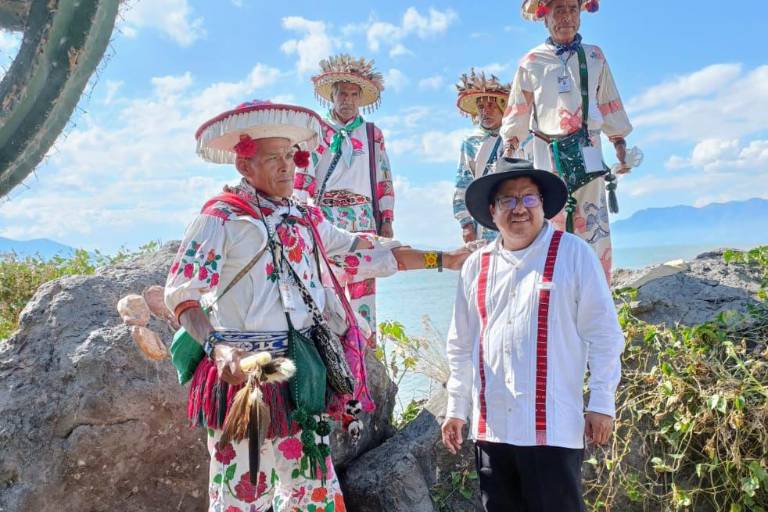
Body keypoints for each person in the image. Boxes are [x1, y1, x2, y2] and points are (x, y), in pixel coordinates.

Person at [165, 101, 472, 512]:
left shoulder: (306, 219)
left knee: (310, 490)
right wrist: (217, 347)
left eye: (291, 156)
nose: (287, 168)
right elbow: (182, 295)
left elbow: (370, 250)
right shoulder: (221, 220)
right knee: (242, 492)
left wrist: (444, 260)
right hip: (244, 378)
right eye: (273, 159)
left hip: (300, 375)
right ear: (244, 166)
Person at [441, 158, 624, 511]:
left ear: (542, 205)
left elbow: (603, 335)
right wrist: (456, 409)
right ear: (492, 212)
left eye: (528, 198)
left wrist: (601, 403)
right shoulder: (476, 267)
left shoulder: (574, 254)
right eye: (508, 200)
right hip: (492, 431)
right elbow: (461, 345)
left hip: (552, 431)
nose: (519, 208)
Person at [500, 0, 634, 282]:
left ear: (581, 14)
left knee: (592, 218)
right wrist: (510, 146)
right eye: (558, 9)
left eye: (572, 9)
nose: (566, 17)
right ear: (544, 15)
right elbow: (519, 109)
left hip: (589, 147)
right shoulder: (532, 62)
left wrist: (618, 140)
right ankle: (554, 288)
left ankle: (595, 290)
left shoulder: (595, 56)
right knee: (550, 217)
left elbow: (608, 100)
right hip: (546, 151)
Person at [294, 54, 393, 345]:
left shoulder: (373, 134)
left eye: (353, 94)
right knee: (328, 282)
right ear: (332, 96)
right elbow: (304, 175)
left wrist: (386, 219)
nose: (347, 100)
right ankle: (332, 344)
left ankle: (367, 348)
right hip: (326, 218)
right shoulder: (315, 132)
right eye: (341, 93)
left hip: (363, 216)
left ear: (361, 98)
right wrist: (302, 213)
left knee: (364, 284)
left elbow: (384, 178)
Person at [453, 69, 511, 244]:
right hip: (483, 219)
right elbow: (462, 182)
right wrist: (465, 223)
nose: (485, 111)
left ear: (503, 107)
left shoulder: (520, 138)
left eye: (491, 105)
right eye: (481, 107)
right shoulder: (470, 142)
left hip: (514, 210)